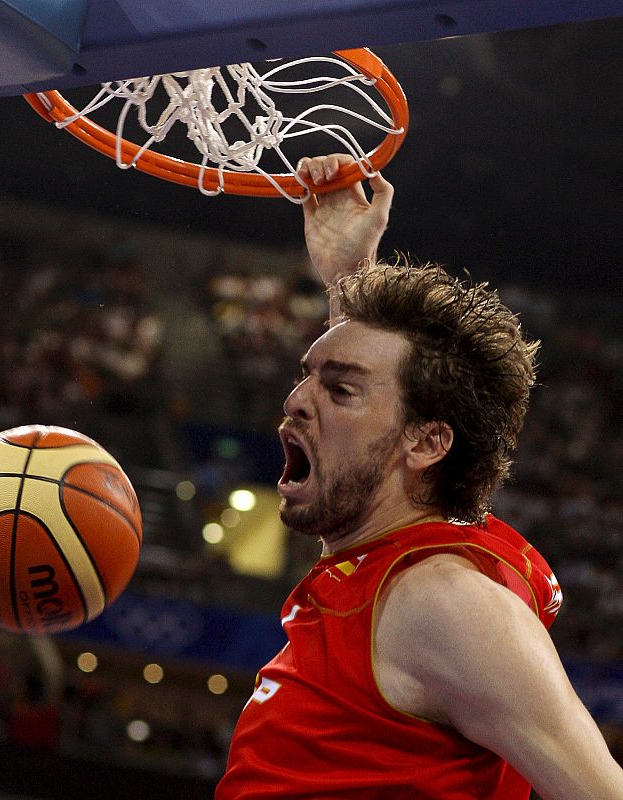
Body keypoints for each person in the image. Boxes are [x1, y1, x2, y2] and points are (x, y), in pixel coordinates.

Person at [214, 155, 623, 799]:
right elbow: (382, 384)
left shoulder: (443, 601)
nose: (296, 399)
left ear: (429, 443)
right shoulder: (377, 575)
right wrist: (349, 275)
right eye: (307, 374)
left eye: (339, 390)